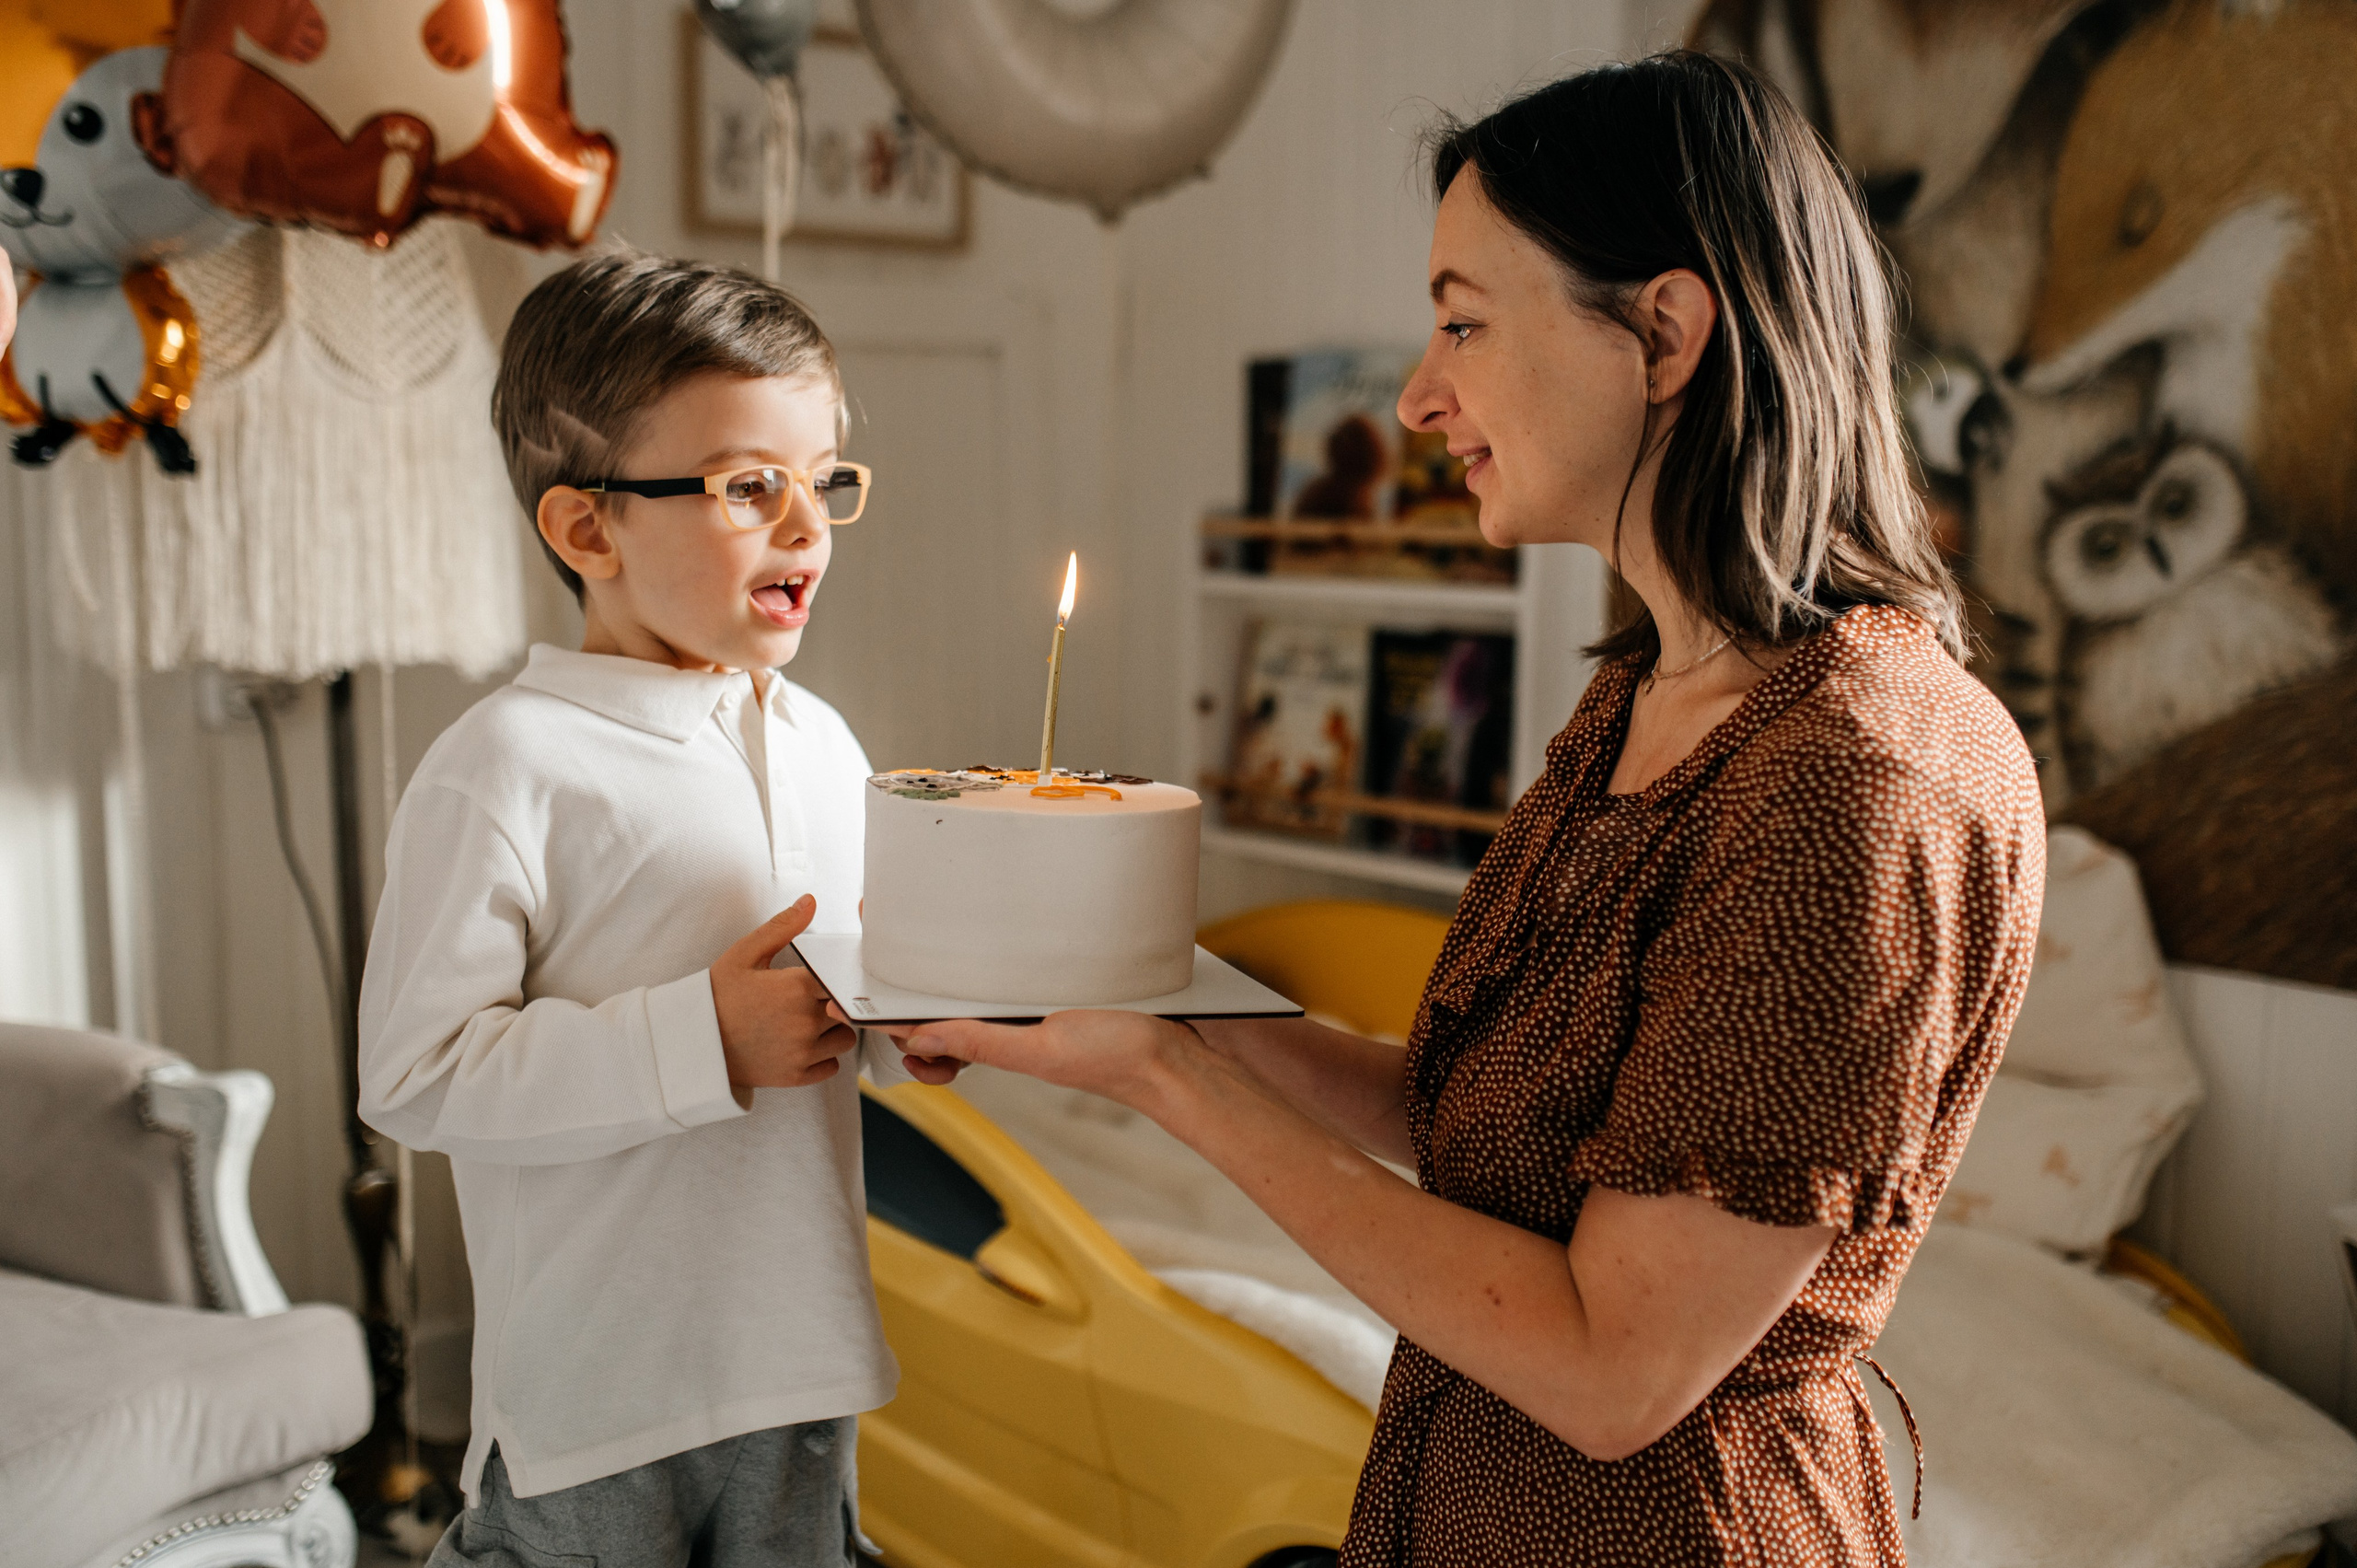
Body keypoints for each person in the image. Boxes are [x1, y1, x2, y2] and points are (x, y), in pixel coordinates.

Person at [881, 52, 2047, 1566]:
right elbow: (1471, 1121)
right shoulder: (1650, 695)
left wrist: (1171, 1081)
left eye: (1463, 323)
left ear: (1666, 332)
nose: (1423, 396)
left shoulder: (1853, 780)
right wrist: (1134, 984)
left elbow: (1615, 1369)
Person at [360, 251, 915, 1567]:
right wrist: (701, 1041)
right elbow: (411, 1075)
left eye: (823, 478)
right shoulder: (508, 764)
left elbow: (848, 995)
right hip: (599, 1401)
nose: (806, 526)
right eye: (747, 486)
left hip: (801, 1366)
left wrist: (918, 1028)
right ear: (587, 529)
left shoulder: (828, 745)